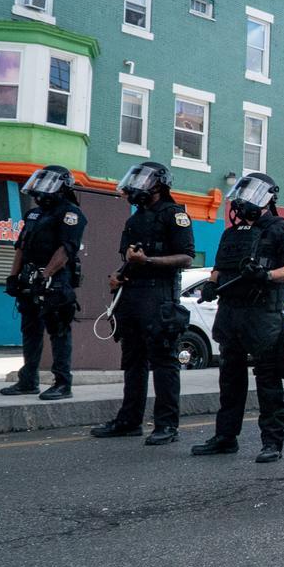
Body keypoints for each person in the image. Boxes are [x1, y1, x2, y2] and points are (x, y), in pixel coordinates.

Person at [190, 173, 284, 464]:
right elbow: (220, 266)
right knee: (230, 381)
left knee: (268, 382)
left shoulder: (282, 230)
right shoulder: (232, 233)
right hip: (231, 314)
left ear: (268, 199)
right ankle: (225, 437)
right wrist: (211, 283)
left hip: (262, 315)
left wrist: (267, 275)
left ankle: (272, 442)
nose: (243, 201)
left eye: (252, 194)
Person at [90, 163, 194, 445]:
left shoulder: (175, 215)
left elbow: (186, 257)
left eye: (143, 180)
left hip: (160, 297)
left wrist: (148, 261)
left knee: (163, 362)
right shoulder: (135, 219)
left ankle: (166, 425)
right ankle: (129, 421)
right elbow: (129, 256)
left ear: (159, 185)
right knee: (132, 361)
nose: (137, 185)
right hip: (132, 296)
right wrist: (118, 274)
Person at [2, 165, 86, 400]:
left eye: (47, 183)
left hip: (56, 280)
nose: (40, 189)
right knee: (30, 330)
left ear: (61, 187)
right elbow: (21, 247)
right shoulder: (34, 214)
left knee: (58, 331)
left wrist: (45, 274)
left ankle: (62, 383)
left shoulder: (71, 213)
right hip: (29, 278)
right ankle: (28, 380)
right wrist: (13, 276)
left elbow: (65, 249)